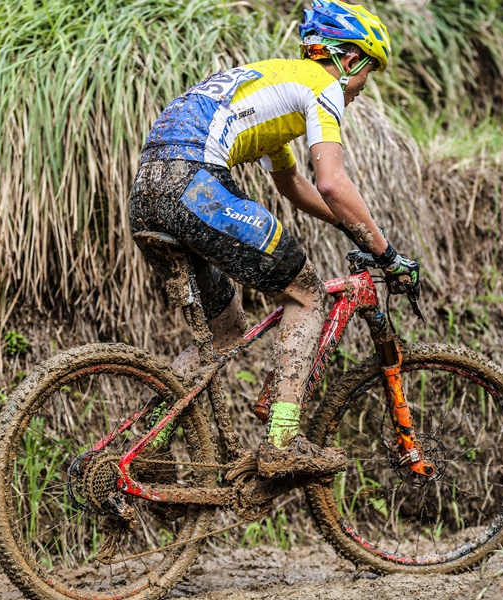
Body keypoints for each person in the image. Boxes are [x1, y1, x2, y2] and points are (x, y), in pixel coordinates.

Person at [129, 0, 418, 479]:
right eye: (368, 74)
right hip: (193, 182)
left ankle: (146, 447)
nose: (363, 89)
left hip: (149, 190)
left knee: (223, 334)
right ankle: (283, 442)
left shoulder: (273, 85)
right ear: (349, 61)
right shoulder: (322, 84)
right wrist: (385, 252)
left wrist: (355, 231)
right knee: (305, 294)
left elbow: (295, 188)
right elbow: (331, 183)